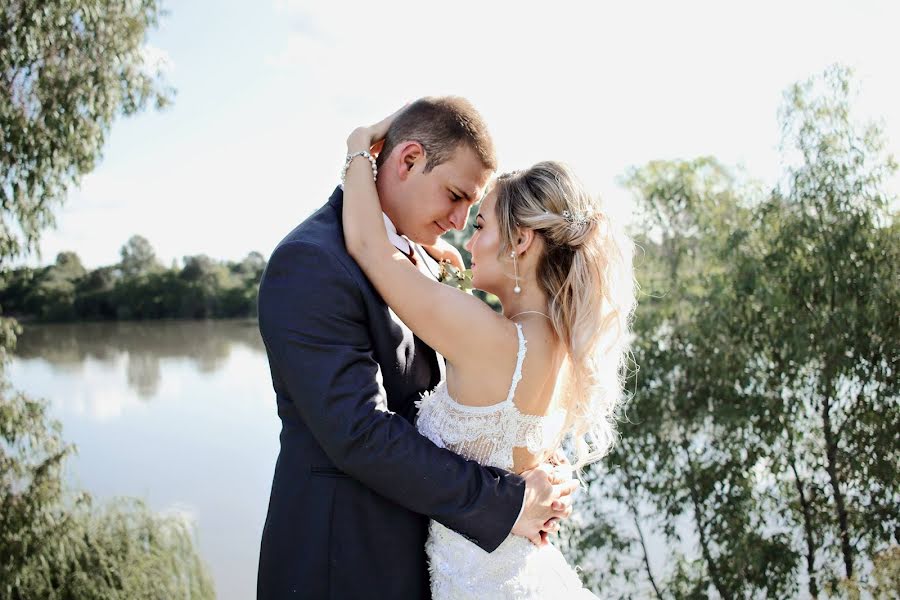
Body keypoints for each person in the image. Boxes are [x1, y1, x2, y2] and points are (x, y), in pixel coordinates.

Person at [255, 96, 577, 599]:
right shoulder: (311, 262)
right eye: (454, 195)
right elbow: (359, 432)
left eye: (474, 210)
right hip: (344, 566)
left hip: (433, 558)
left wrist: (528, 462)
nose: (459, 221)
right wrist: (507, 501)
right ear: (407, 160)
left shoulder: (424, 260)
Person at [340, 105, 637, 597]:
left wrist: (357, 149)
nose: (465, 236)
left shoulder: (485, 337)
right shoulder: (559, 342)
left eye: (480, 226)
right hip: (520, 571)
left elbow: (369, 248)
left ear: (520, 240)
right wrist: (449, 273)